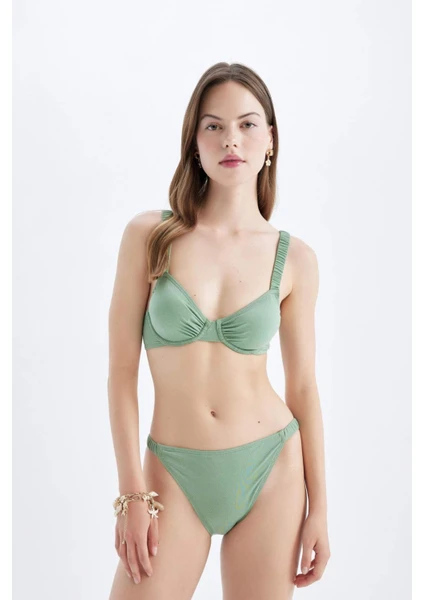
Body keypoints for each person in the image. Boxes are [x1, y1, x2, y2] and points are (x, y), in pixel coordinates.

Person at [108, 62, 330, 599]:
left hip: (271, 468)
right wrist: (131, 494)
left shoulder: (295, 259)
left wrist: (320, 508)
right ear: (195, 141)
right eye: (214, 125)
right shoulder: (150, 236)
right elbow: (120, 372)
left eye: (247, 124)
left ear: (270, 139)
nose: (232, 139)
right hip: (170, 474)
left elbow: (303, 387)